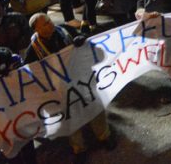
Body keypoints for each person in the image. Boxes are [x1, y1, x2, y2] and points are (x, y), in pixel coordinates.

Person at [23, 13, 116, 157]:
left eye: (49, 20)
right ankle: (79, 148)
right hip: (61, 89)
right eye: (45, 24)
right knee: (72, 118)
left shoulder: (65, 30)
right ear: (37, 30)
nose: (51, 24)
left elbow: (84, 38)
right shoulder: (33, 50)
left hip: (82, 79)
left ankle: (104, 136)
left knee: (95, 107)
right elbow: (31, 73)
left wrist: (81, 38)